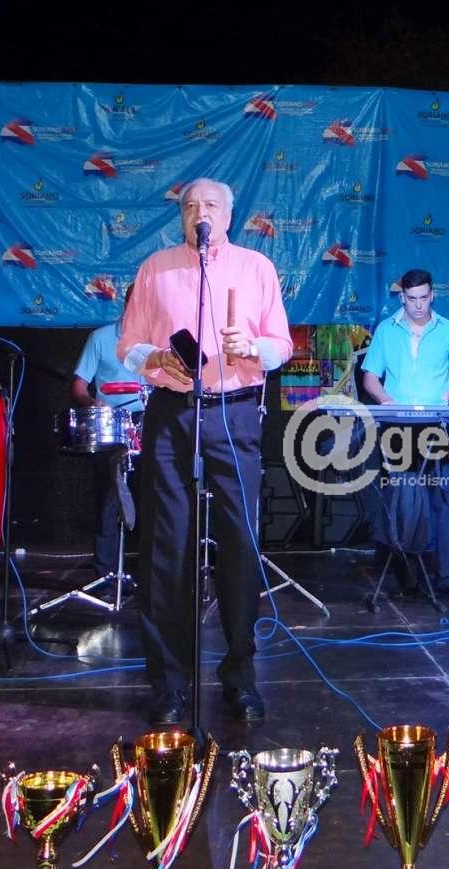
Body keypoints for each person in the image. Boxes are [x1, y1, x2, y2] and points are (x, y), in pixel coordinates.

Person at [118, 177, 292, 726]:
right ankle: (170, 684)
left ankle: (240, 676)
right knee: (167, 546)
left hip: (234, 412)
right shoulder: (156, 268)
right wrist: (153, 359)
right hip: (172, 414)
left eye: (210, 204)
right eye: (190, 205)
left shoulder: (256, 267)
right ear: (181, 216)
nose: (200, 212)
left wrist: (254, 347)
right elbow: (128, 346)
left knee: (240, 542)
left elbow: (282, 345)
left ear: (229, 214)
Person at [361, 268, 449, 598]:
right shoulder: (386, 330)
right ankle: (408, 577)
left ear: (432, 295)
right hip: (398, 425)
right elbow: (370, 378)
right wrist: (386, 401)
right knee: (403, 501)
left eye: (424, 298)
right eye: (412, 299)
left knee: (447, 498)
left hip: (439, 424)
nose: (419, 305)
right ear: (402, 298)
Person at [71, 284, 146, 579]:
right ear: (127, 305)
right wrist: (93, 402)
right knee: (111, 496)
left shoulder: (158, 340)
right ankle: (106, 573)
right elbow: (79, 385)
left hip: (149, 419)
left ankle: (153, 571)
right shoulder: (100, 338)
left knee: (156, 495)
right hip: (112, 421)